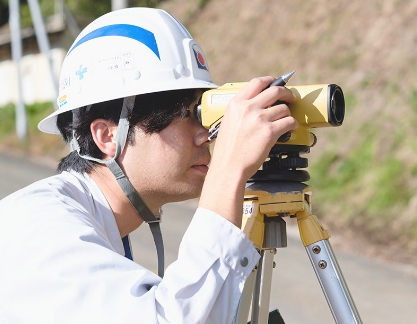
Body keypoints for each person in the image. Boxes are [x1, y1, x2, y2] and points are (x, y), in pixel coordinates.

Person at [0, 7, 297, 323]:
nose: (206, 135)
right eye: (187, 114)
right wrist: (229, 170)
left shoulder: (88, 221)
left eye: (202, 113)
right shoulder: (41, 231)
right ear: (108, 135)